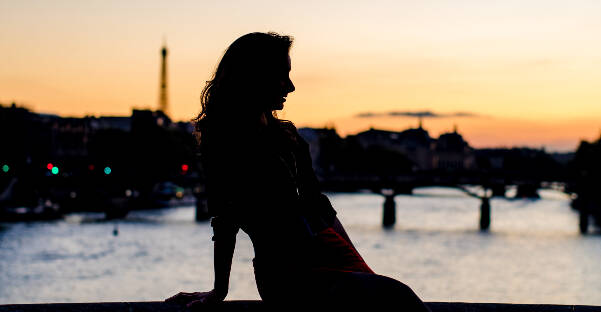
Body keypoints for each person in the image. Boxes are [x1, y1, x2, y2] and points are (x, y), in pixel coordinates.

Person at [165, 32, 430, 311]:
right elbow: (226, 219)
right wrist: (219, 290)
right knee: (401, 300)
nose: (290, 86)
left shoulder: (287, 136)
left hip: (327, 250)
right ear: (255, 77)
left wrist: (356, 263)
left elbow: (317, 208)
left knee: (397, 298)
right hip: (288, 272)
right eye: (282, 75)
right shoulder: (224, 142)